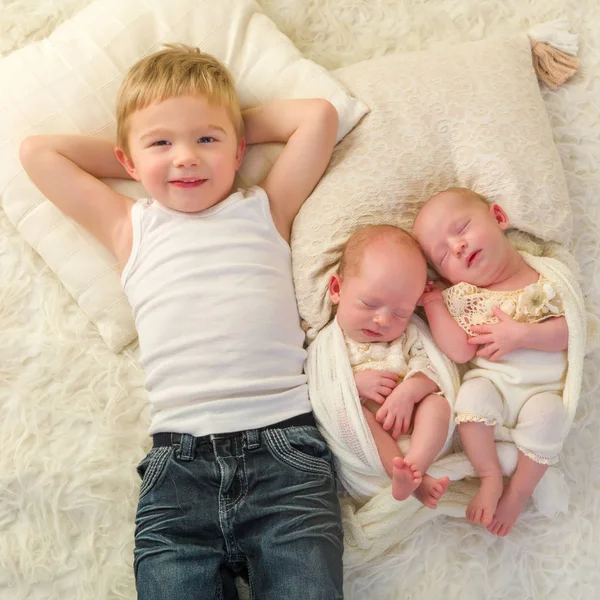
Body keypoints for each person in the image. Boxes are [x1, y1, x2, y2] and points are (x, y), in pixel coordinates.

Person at [20, 44, 344, 599]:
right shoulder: (130, 227)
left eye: (207, 140)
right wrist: (139, 150)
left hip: (286, 457)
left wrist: (214, 129)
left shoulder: (266, 208)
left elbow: (318, 116)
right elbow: (36, 152)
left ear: (240, 148)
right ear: (127, 161)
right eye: (162, 143)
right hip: (179, 473)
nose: (186, 158)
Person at [413, 187, 569, 537]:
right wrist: (436, 307)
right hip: (494, 391)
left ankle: (518, 492)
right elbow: (461, 353)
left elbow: (571, 332)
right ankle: (490, 475)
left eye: (462, 228)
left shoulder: (546, 278)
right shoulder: (466, 297)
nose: (457, 246)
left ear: (498, 218)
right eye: (443, 255)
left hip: (542, 392)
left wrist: (522, 336)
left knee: (549, 414)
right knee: (472, 393)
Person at [328, 224, 451, 508]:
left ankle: (415, 467)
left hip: (416, 430)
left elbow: (436, 370)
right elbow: (319, 392)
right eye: (370, 303)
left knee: (438, 405)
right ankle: (401, 475)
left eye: (400, 312)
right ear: (337, 288)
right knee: (352, 415)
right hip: (371, 439)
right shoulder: (330, 345)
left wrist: (409, 392)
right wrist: (353, 385)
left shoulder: (408, 335)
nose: (383, 320)